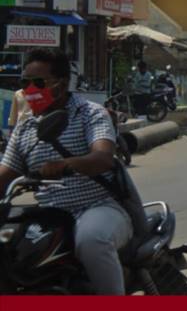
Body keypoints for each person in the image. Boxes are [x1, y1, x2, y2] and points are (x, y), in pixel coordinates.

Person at [0, 48, 132, 295]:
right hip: (51, 216)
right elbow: (5, 174)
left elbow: (103, 157)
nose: (30, 90)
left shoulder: (90, 114)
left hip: (97, 207)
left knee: (92, 241)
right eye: (24, 83)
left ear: (61, 84)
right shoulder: (26, 127)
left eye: (38, 82)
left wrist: (65, 165)